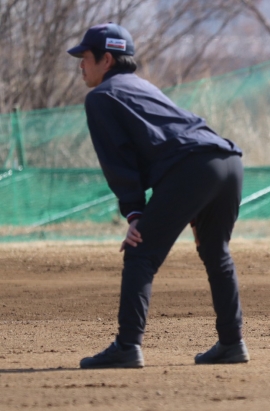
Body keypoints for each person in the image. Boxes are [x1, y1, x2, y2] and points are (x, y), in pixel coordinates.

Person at [68, 23, 249, 368]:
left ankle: (127, 346)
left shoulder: (101, 96)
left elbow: (118, 160)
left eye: (85, 57)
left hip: (193, 168)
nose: (80, 65)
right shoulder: (143, 86)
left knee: (140, 252)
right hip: (227, 161)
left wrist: (134, 213)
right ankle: (232, 343)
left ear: (106, 60)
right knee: (216, 252)